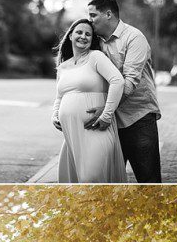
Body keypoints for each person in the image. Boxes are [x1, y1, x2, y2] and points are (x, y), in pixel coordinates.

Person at [84, 0, 163, 183]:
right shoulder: (94, 41)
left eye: (93, 15)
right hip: (110, 123)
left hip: (138, 118)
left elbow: (129, 83)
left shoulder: (134, 38)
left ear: (108, 14)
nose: (90, 20)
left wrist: (106, 110)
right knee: (109, 182)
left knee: (149, 182)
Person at [52, 18, 127, 183]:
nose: (83, 36)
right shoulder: (63, 66)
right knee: (73, 182)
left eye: (88, 34)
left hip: (96, 129)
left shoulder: (96, 57)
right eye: (79, 32)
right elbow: (60, 95)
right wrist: (55, 115)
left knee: (91, 178)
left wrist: (106, 115)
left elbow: (118, 81)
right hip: (72, 134)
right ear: (70, 36)